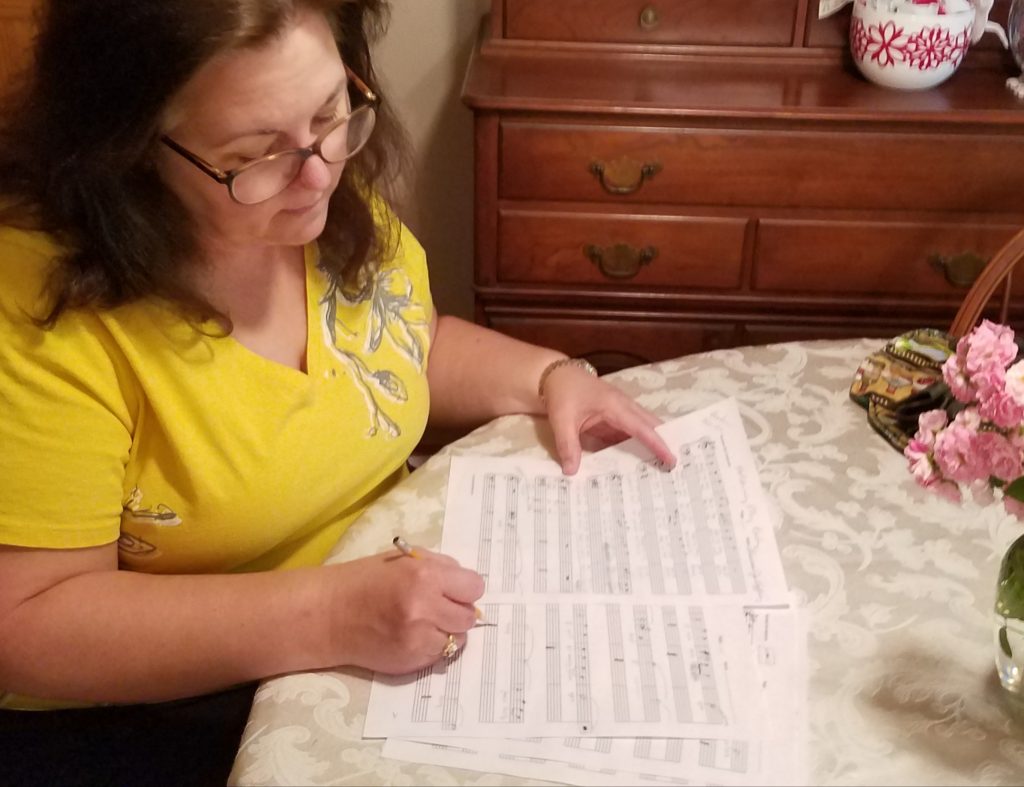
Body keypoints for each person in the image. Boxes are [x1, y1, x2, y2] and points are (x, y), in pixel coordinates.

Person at [0, 1, 676, 783]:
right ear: (130, 148)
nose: (321, 171)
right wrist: (333, 615)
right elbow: (28, 621)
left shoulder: (316, 200)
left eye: (331, 112)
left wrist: (551, 376)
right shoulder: (38, 309)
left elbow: (404, 345)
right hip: (149, 715)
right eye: (256, 153)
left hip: (368, 638)